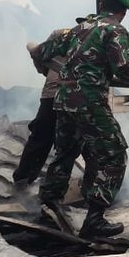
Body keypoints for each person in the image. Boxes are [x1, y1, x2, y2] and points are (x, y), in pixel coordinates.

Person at [31, 0, 129, 238]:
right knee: (115, 154)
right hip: (88, 100)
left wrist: (46, 69)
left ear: (101, 4)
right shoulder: (115, 30)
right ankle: (94, 220)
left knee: (65, 152)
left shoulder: (76, 29)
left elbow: (40, 52)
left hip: (63, 99)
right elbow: (125, 69)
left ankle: (47, 206)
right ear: (123, 12)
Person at [13, 20, 82, 186]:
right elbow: (37, 51)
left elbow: (39, 54)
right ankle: (33, 182)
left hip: (55, 93)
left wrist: (46, 71)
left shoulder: (63, 34)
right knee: (66, 143)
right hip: (69, 95)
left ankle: (25, 180)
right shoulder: (77, 35)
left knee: (43, 138)